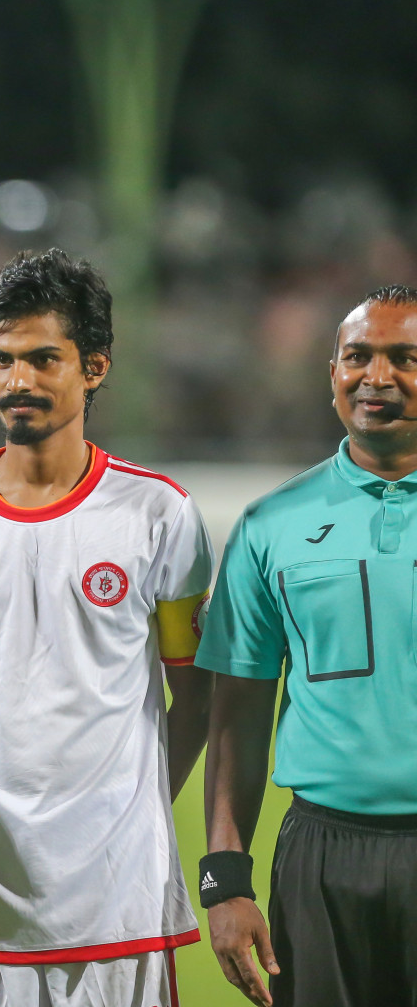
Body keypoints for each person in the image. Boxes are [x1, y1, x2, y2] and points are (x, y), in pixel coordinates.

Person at [0, 249, 214, 1005]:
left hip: (117, 899)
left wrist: (133, 808)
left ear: (94, 368)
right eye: (2, 361)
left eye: (44, 359)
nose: (18, 382)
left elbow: (194, 696)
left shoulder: (159, 515)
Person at [197, 285, 417, 1007]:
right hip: (320, 858)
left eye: (404, 358)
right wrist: (225, 876)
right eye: (358, 356)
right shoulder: (270, 526)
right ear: (332, 374)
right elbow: (237, 713)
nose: (376, 377)